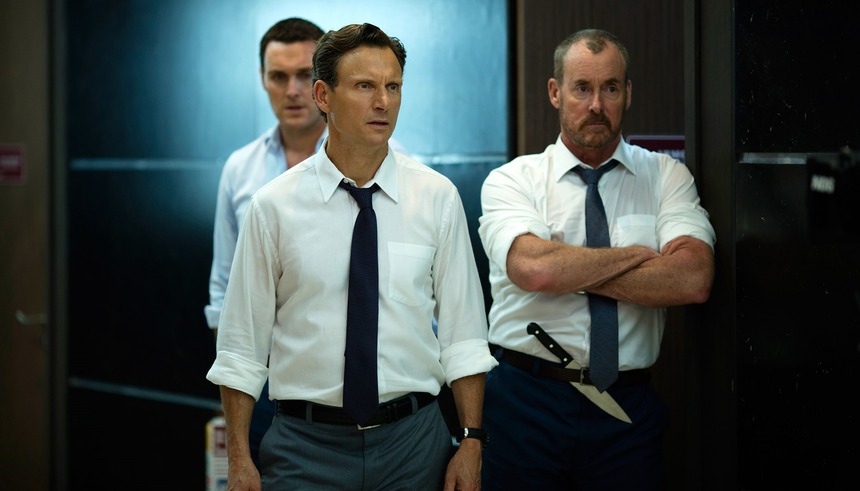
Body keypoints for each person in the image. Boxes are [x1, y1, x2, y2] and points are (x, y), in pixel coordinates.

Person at [206, 22, 496, 491]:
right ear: (324, 95)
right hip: (305, 446)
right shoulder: (272, 205)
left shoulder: (436, 197)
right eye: (365, 86)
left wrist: (472, 440)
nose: (383, 102)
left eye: (393, 87)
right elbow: (241, 347)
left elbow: (464, 335)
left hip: (414, 442)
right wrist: (238, 458)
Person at [477, 28, 715, 490]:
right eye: (582, 88)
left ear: (627, 93)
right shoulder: (514, 180)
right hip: (526, 401)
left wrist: (566, 269)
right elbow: (533, 268)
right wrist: (639, 257)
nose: (596, 105)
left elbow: (692, 279)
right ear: (555, 92)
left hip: (626, 408)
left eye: (610, 88)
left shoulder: (666, 176)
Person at [204, 17, 414, 470]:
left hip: (380, 392)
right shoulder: (241, 170)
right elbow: (223, 290)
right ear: (262, 79)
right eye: (279, 77)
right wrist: (240, 387)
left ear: (324, 85)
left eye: (303, 76)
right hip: (268, 388)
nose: (293, 91)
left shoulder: (395, 167)